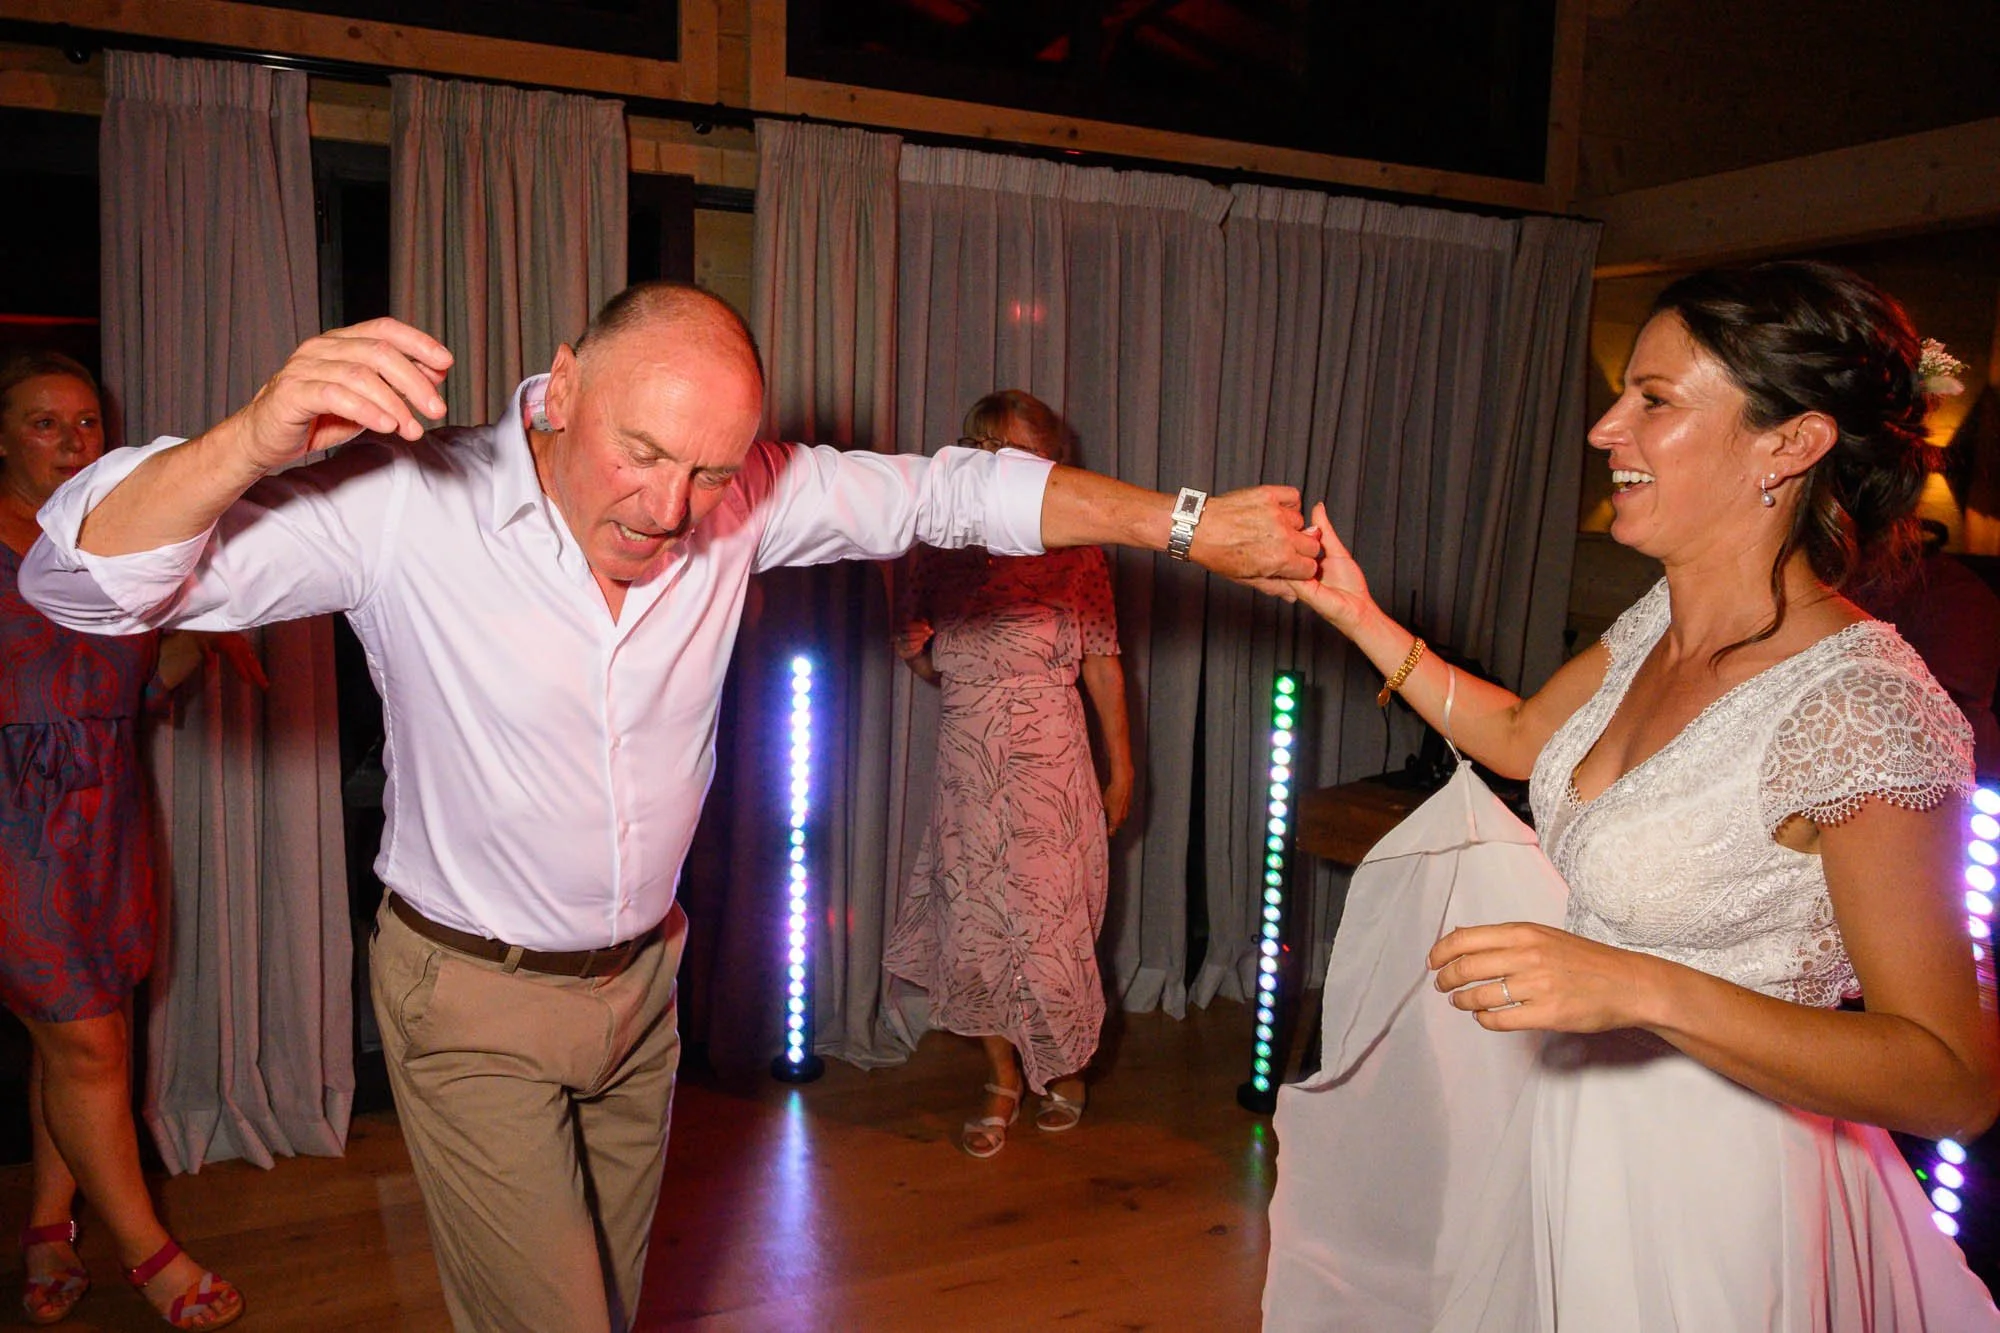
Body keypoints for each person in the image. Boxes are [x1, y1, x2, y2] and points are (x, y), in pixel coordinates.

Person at [18, 283, 1315, 1333]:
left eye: (706, 471)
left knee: (612, 1305)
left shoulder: (737, 501)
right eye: (641, 454)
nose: (668, 509)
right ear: (563, 385)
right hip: (471, 996)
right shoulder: (407, 505)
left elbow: (953, 489)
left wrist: (1188, 524)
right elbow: (81, 587)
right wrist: (251, 437)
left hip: (643, 988)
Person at [1274, 261, 2000, 1326]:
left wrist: (1639, 986)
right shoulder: (1655, 621)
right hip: (1569, 1132)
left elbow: (1949, 1078)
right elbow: (1524, 737)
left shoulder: (1863, 711)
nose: (1603, 427)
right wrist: (1353, 615)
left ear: (1788, 445)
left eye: (1652, 400)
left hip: (1715, 1193)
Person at [0, 353, 259, 1330]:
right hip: (9, 815)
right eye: (43, 424)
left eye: (84, 425)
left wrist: (214, 628)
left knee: (85, 1035)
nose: (72, 443)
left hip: (106, 806)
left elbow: (147, 679)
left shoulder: (111, 544)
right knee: (87, 1039)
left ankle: (44, 1230)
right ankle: (153, 1255)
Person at [883, 391, 1133, 1157]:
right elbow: (935, 665)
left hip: (1051, 760)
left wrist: (1120, 769)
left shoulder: (1075, 544)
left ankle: (1061, 1067)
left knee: (1054, 931)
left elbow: (1102, 665)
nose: (1030, 472)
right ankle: (1002, 1076)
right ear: (977, 453)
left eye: (1041, 460)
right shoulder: (936, 546)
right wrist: (915, 650)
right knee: (978, 931)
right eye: (1013, 457)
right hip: (968, 766)